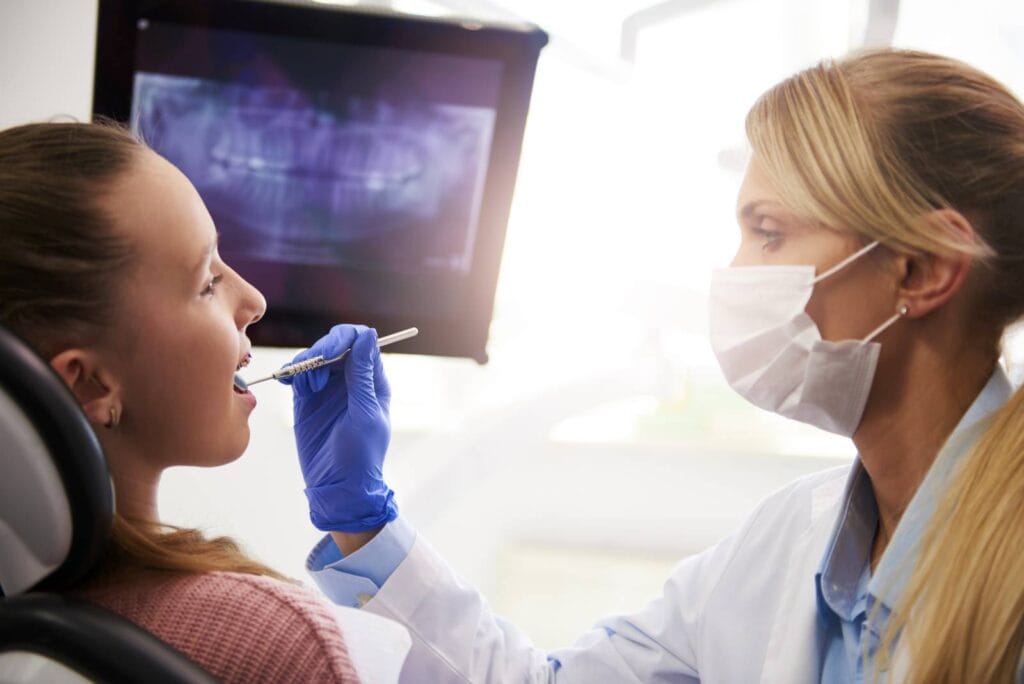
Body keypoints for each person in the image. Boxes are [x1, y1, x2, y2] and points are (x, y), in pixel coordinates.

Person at [294, 48, 1024, 681]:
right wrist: (366, 524)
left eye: (769, 234)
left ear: (922, 269)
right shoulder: (787, 542)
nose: (735, 276)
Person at [0, 121, 409, 683]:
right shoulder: (276, 645)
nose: (255, 300)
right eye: (207, 281)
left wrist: (362, 526)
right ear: (90, 384)